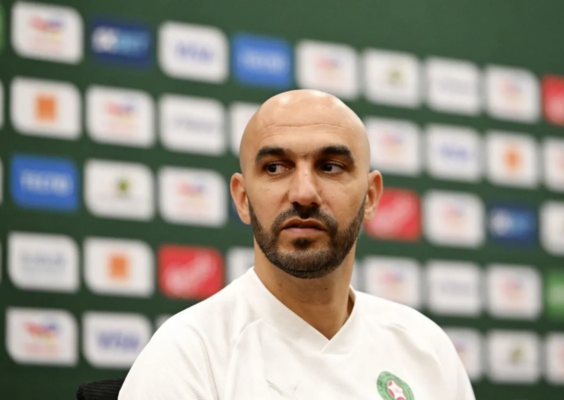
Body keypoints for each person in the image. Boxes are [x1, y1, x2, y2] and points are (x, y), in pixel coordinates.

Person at [119, 90, 476, 400]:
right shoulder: (189, 354)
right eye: (276, 167)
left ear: (370, 196)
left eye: (330, 167)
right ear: (242, 198)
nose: (304, 193)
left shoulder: (426, 348)